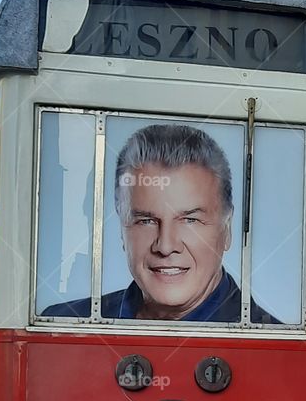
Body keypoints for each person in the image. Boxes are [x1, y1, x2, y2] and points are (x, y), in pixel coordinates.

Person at [44, 123, 279, 323]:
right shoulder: (61, 324)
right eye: (146, 220)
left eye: (190, 220)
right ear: (122, 227)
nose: (165, 246)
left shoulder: (282, 352)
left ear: (226, 230)